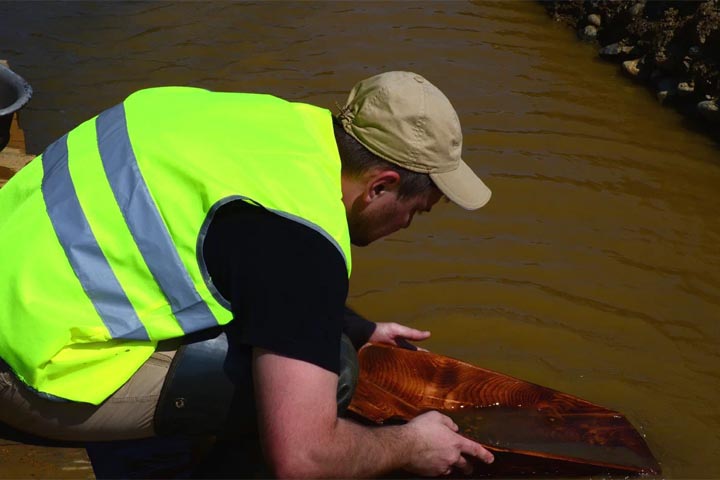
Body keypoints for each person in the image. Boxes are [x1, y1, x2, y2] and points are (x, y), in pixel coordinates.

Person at [0, 71, 493, 477]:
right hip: (23, 367)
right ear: (381, 187)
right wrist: (408, 445)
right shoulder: (302, 239)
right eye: (416, 211)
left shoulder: (265, 124)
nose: (406, 226)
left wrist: (358, 327)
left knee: (319, 342)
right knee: (335, 374)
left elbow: (239, 250)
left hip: (23, 280)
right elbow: (303, 457)